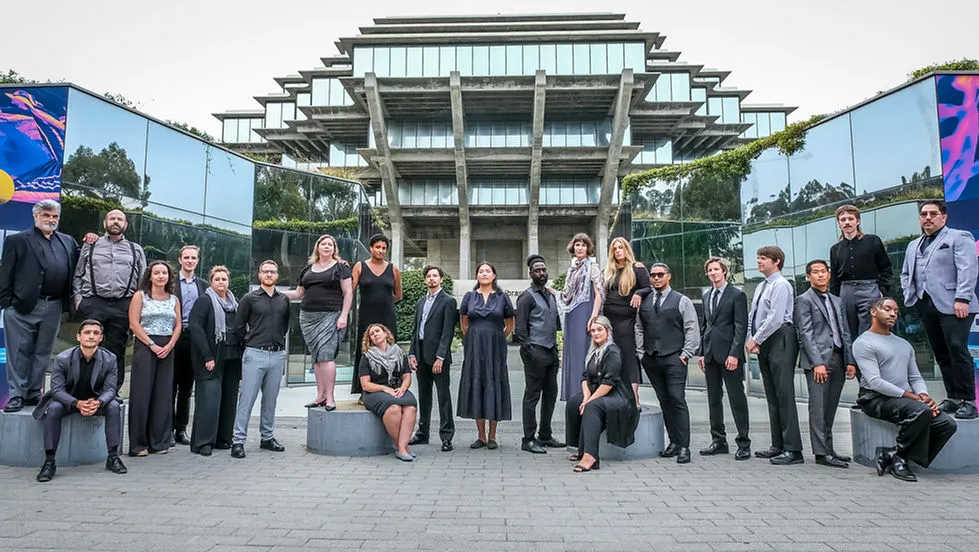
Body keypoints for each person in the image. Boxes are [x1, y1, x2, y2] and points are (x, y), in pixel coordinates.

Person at [855, 297, 958, 482]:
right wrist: (913, 398)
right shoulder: (863, 342)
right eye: (887, 309)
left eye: (896, 311)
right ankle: (901, 461)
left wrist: (923, 395)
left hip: (902, 399)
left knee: (947, 424)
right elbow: (875, 382)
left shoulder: (904, 344)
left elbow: (915, 377)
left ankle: (893, 454)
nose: (893, 314)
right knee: (920, 410)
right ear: (873, 312)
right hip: (874, 398)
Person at [900, 200, 979, 420]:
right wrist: (911, 295)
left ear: (943, 217)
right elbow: (905, 273)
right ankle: (953, 398)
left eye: (933, 214)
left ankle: (969, 401)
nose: (928, 217)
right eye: (924, 214)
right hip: (925, 303)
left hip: (955, 304)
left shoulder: (959, 237)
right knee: (941, 352)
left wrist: (962, 298)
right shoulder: (913, 245)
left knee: (957, 349)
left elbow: (968, 268)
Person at [0, 200, 79, 413]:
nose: (51, 220)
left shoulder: (67, 241)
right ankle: (16, 395)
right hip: (21, 307)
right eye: (46, 215)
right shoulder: (18, 240)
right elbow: (5, 274)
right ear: (36, 216)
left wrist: (91, 239)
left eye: (54, 216)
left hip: (53, 305)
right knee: (18, 352)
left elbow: (81, 262)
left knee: (43, 352)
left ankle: (34, 392)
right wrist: (8, 303)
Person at [32, 319, 128, 482]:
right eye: (87, 333)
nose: (91, 336)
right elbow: (57, 390)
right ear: (78, 337)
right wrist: (77, 403)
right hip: (68, 401)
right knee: (54, 409)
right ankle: (49, 462)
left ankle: (113, 457)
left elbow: (111, 389)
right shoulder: (63, 358)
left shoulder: (110, 359)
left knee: (113, 406)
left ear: (101, 338)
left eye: (96, 333)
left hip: (95, 402)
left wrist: (98, 403)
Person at [73, 209, 147, 397]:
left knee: (117, 350)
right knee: (89, 346)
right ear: (105, 223)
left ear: (125, 225)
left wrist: (137, 305)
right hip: (94, 302)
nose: (115, 221)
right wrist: (79, 300)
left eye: (120, 219)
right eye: (112, 218)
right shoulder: (91, 245)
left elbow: (142, 280)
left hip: (123, 305)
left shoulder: (135, 249)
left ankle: (111, 392)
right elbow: (78, 274)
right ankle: (85, 391)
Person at [635, 263, 699, 464]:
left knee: (677, 399)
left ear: (668, 276)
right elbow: (639, 327)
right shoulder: (645, 302)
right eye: (653, 275)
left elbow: (691, 327)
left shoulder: (682, 300)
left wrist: (686, 354)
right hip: (651, 358)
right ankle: (674, 442)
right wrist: (641, 353)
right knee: (664, 401)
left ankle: (684, 447)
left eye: (660, 275)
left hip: (674, 358)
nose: (656, 278)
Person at [795, 260, 857, 468]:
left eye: (823, 271)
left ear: (829, 275)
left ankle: (829, 449)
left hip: (838, 357)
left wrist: (849, 360)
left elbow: (845, 331)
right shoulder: (804, 300)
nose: (820, 275)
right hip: (819, 361)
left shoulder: (837, 301)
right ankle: (821, 453)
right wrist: (817, 363)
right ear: (808, 277)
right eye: (815, 272)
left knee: (830, 406)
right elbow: (806, 333)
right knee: (818, 408)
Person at [746, 246, 803, 466]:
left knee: (784, 394)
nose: (759, 262)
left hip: (781, 339)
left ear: (776, 261)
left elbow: (776, 318)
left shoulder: (781, 285)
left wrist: (756, 339)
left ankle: (793, 449)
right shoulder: (762, 286)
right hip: (765, 340)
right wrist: (753, 339)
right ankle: (778, 444)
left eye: (763, 258)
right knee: (772, 394)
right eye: (758, 258)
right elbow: (753, 316)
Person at [230, 260, 290, 458]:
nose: (269, 275)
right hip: (255, 353)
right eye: (265, 271)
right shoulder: (249, 299)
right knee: (247, 398)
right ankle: (238, 441)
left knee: (271, 399)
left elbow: (285, 325)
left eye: (272, 272)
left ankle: (267, 437)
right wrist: (250, 342)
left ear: (277, 275)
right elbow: (238, 326)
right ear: (259, 275)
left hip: (277, 355)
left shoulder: (284, 300)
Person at [286, 235, 353, 410]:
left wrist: (343, 316)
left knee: (326, 355)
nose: (327, 246)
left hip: (331, 316)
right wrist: (275, 293)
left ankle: (330, 397)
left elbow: (348, 293)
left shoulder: (341, 267)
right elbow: (298, 294)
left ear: (334, 249)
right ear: (318, 247)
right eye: (323, 244)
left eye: (330, 244)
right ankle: (320, 395)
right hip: (307, 318)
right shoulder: (307, 269)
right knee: (316, 358)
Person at [565, 316, 639, 472]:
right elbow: (584, 377)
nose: (596, 333)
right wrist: (586, 397)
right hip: (600, 392)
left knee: (592, 407)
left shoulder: (613, 352)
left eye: (599, 330)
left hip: (618, 397)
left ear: (608, 331)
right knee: (573, 402)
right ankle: (580, 448)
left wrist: (589, 401)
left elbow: (608, 384)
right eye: (593, 331)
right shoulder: (593, 351)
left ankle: (590, 456)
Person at [698, 256, 751, 460]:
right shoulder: (707, 296)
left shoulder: (737, 295)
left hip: (730, 355)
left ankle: (744, 443)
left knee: (737, 399)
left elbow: (740, 327)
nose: (713, 273)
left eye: (716, 269)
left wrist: (734, 354)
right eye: (710, 270)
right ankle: (718, 440)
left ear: (724, 272)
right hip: (710, 354)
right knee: (713, 399)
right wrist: (702, 353)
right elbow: (705, 326)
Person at [458, 262, 515, 449]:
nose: (484, 274)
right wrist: (473, 337)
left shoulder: (502, 297)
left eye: (487, 271)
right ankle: (481, 436)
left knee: (493, 383)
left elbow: (510, 324)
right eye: (481, 271)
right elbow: (464, 322)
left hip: (495, 347)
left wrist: (497, 337)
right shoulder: (469, 296)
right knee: (477, 383)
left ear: (494, 275)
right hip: (474, 347)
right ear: (476, 276)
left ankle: (492, 436)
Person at [127, 260, 181, 457]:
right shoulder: (140, 296)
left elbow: (178, 325)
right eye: (156, 273)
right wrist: (152, 344)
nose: (160, 276)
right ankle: (138, 444)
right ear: (150, 276)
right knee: (142, 394)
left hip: (167, 348)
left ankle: (159, 442)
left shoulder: (174, 299)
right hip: (145, 346)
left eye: (164, 273)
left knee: (163, 394)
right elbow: (134, 324)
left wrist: (170, 345)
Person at [188, 266, 243, 456]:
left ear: (228, 281)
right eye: (217, 279)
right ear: (211, 282)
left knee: (229, 399)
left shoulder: (234, 302)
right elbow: (195, 327)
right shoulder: (204, 301)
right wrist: (207, 356)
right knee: (208, 401)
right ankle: (203, 442)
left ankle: (223, 438)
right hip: (211, 357)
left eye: (224, 279)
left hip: (232, 356)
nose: (221, 282)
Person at [514, 255, 565, 454]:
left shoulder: (550, 295)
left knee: (551, 394)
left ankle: (545, 434)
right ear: (530, 274)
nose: (541, 273)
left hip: (551, 351)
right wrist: (530, 350)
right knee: (532, 395)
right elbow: (520, 329)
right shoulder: (526, 297)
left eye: (543, 270)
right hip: (535, 351)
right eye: (537, 270)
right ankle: (528, 439)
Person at [407, 265, 457, 452]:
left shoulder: (448, 301)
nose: (432, 279)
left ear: (441, 279)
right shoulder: (421, 302)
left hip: (438, 358)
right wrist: (412, 353)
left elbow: (447, 332)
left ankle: (446, 437)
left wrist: (440, 357)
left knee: (444, 397)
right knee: (424, 397)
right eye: (428, 276)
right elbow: (415, 330)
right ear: (425, 280)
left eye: (435, 276)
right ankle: (422, 433)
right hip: (420, 356)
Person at [829, 204, 892, 337]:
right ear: (839, 224)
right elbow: (834, 277)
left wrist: (882, 291)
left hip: (869, 289)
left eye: (851, 219)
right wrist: (834, 299)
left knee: (870, 330)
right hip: (846, 291)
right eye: (843, 220)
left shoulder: (872, 241)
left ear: (857, 221)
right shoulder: (835, 249)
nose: (847, 222)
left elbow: (885, 267)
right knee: (848, 331)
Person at [601, 237, 651, 405]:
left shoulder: (637, 268)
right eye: (615, 249)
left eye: (620, 247)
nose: (618, 251)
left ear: (627, 249)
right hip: (609, 319)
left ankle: (634, 395)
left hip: (626, 319)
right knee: (611, 354)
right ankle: (613, 392)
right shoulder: (609, 271)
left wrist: (638, 293)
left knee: (628, 355)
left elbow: (648, 287)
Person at [351, 234, 402, 396]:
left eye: (384, 248)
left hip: (387, 316)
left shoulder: (393, 269)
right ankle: (364, 390)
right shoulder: (360, 266)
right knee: (366, 349)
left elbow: (398, 295)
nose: (380, 250)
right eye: (377, 247)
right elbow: (349, 289)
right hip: (366, 315)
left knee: (389, 349)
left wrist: (383, 301)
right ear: (371, 248)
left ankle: (391, 387)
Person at [359, 323, 418, 462]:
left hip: (397, 388)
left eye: (377, 331)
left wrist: (403, 388)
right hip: (375, 392)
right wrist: (384, 389)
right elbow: (365, 385)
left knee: (410, 406)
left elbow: (407, 376)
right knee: (394, 408)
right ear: (370, 340)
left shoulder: (400, 353)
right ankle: (402, 447)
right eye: (372, 334)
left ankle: (402, 446)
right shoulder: (367, 357)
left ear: (386, 333)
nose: (375, 334)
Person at [557, 233, 605, 401]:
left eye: (583, 245)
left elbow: (599, 294)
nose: (580, 248)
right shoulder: (572, 269)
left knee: (585, 351)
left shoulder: (593, 267)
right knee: (573, 353)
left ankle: (587, 394)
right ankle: (574, 394)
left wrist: (593, 317)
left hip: (586, 313)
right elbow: (567, 295)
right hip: (572, 315)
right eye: (577, 244)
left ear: (588, 248)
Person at [172, 244, 207, 445]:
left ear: (197, 261)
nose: (190, 261)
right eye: (186, 257)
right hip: (173, 337)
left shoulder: (203, 285)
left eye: (193, 258)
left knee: (186, 388)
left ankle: (181, 429)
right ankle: (166, 429)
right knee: (169, 387)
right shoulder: (170, 282)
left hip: (193, 339)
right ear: (180, 259)